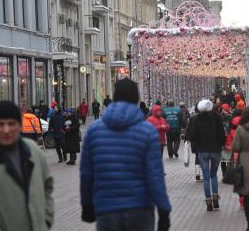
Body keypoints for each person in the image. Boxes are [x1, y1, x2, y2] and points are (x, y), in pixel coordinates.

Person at [80, 78, 171, 231]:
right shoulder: (147, 132)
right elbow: (155, 175)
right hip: (140, 209)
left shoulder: (94, 131)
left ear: (114, 97)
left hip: (107, 209)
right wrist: (164, 210)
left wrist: (87, 204)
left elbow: (87, 173)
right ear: (136, 99)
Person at [0, 100, 54, 230]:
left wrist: (45, 220)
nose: (6, 130)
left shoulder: (33, 152)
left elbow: (47, 187)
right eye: (0, 124)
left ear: (19, 125)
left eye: (11, 123)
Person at [189, 99, 225, 211]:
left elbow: (192, 135)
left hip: (203, 150)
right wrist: (221, 144)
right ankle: (215, 199)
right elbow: (222, 133)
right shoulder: (217, 117)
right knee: (213, 175)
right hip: (215, 150)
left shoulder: (196, 118)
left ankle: (208, 201)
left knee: (206, 177)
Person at [220, 109, 242, 178]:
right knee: (235, 161)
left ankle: (225, 174)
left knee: (224, 160)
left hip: (226, 144)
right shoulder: (243, 122)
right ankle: (234, 175)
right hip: (237, 145)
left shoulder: (230, 121)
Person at [185, 103, 203, 182]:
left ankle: (197, 173)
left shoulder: (192, 117)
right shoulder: (205, 117)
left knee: (197, 156)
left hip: (194, 140)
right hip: (203, 140)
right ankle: (202, 173)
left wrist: (187, 138)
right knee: (203, 157)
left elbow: (188, 129)